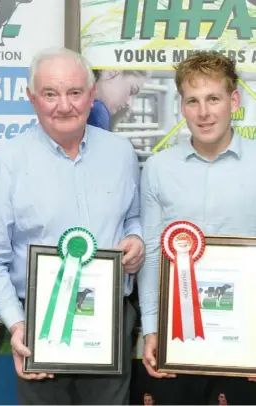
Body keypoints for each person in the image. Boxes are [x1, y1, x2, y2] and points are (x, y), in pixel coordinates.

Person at [0, 47, 145, 405]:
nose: (64, 106)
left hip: (111, 320)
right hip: (39, 327)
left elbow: (132, 218)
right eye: (50, 94)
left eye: (74, 92)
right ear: (31, 98)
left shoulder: (121, 153)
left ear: (92, 94)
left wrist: (135, 239)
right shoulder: (6, 162)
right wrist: (17, 323)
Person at [138, 51, 256, 403]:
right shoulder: (158, 168)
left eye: (213, 99)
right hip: (178, 341)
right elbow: (153, 252)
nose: (204, 113)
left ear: (234, 101)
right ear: (182, 106)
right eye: (193, 101)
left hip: (247, 339)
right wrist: (152, 328)